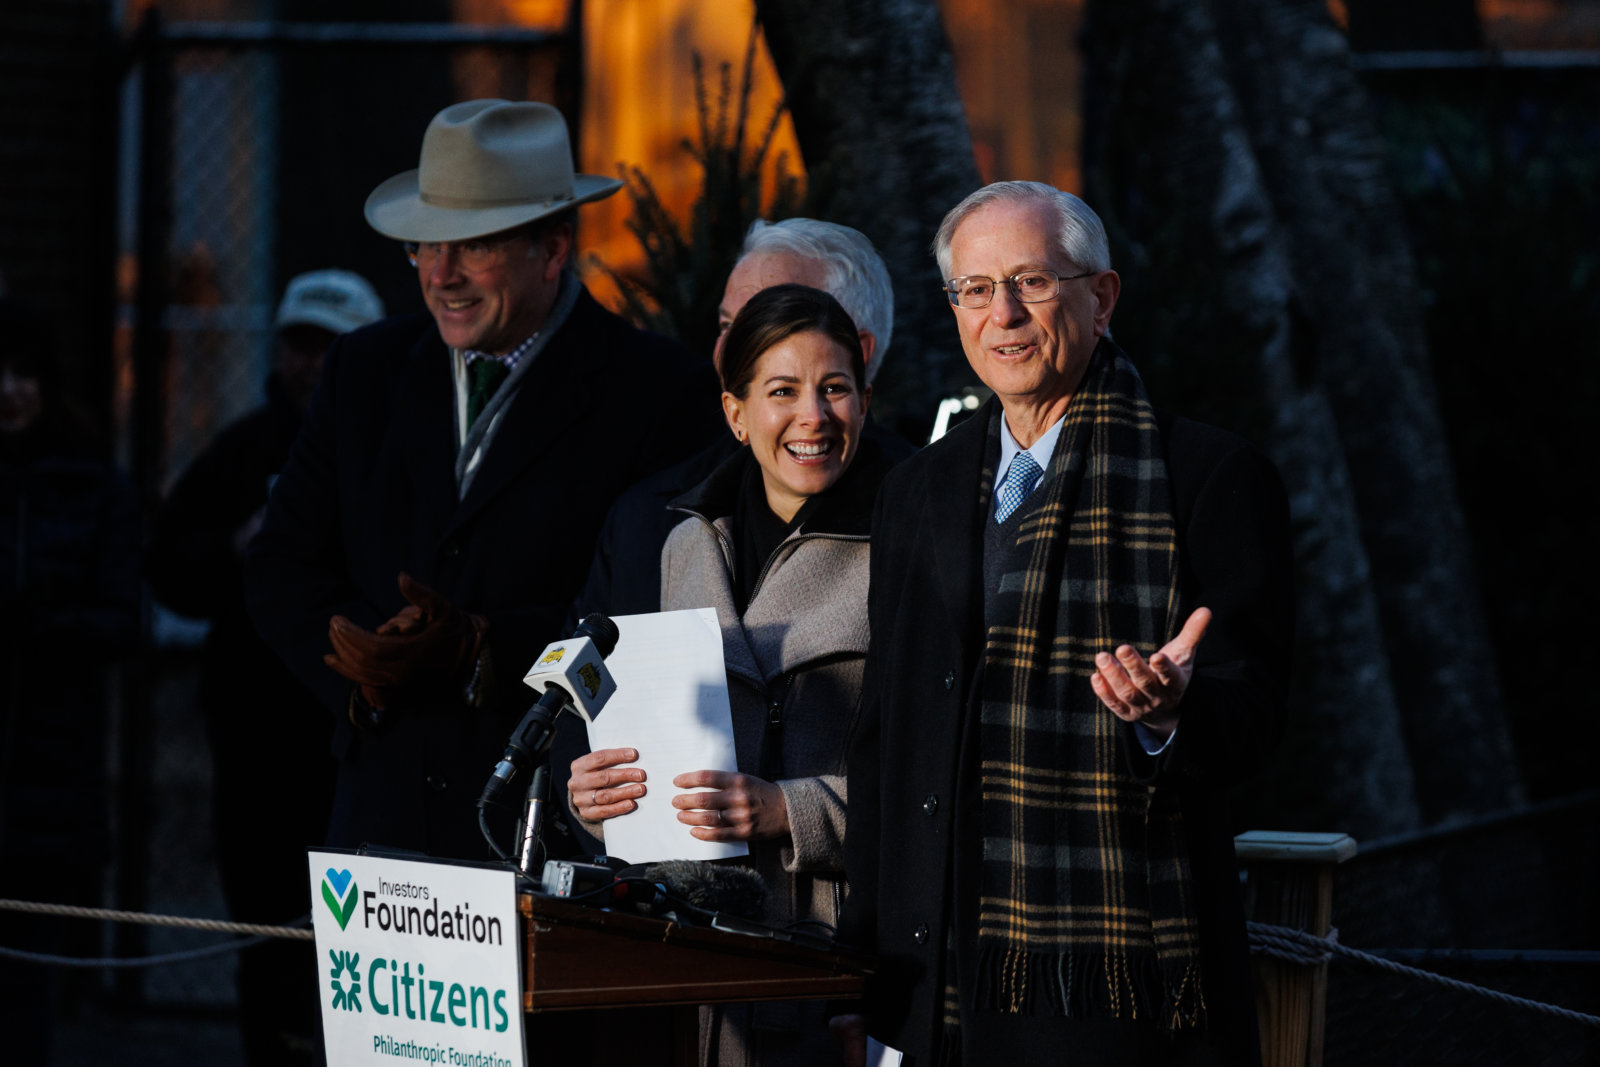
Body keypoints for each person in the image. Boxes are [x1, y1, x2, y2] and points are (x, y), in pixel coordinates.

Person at [838, 181, 1294, 1066]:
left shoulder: (1208, 475)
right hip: (935, 975)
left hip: (1114, 998)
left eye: (1034, 283)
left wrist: (1166, 717)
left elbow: (1258, 720)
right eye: (976, 289)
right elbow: (883, 741)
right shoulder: (917, 487)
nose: (1002, 314)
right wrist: (864, 974)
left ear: (1103, 295)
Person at [243, 100, 722, 861]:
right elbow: (281, 566)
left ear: (554, 246)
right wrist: (362, 665)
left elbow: (666, 614)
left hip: (553, 834)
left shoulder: (660, 393)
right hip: (382, 824)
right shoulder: (362, 371)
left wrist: (488, 651)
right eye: (424, 245)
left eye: (474, 245)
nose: (442, 274)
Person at [568, 285, 901, 1067]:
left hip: (838, 967)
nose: (813, 415)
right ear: (735, 413)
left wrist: (793, 809)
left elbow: (946, 778)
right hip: (688, 967)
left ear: (866, 398)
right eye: (781, 391)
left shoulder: (909, 541)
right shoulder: (681, 540)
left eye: (835, 388)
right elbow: (647, 733)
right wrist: (598, 801)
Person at [146, 268, 383, 1066]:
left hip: (360, 733)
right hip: (252, 733)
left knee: (361, 929)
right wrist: (235, 550)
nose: (315, 361)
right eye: (302, 342)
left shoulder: (394, 451)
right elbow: (167, 566)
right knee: (263, 924)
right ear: (278, 349)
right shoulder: (242, 449)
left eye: (334, 344)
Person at [567, 217, 906, 624]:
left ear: (856, 353)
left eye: (767, 322)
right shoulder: (648, 521)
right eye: (729, 326)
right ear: (734, 412)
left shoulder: (924, 516)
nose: (731, 355)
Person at [0, 298, 140, 1061]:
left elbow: (125, 619)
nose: (10, 392)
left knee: (25, 979)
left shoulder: (93, 485)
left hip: (48, 766)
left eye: (24, 374)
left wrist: (43, 625)